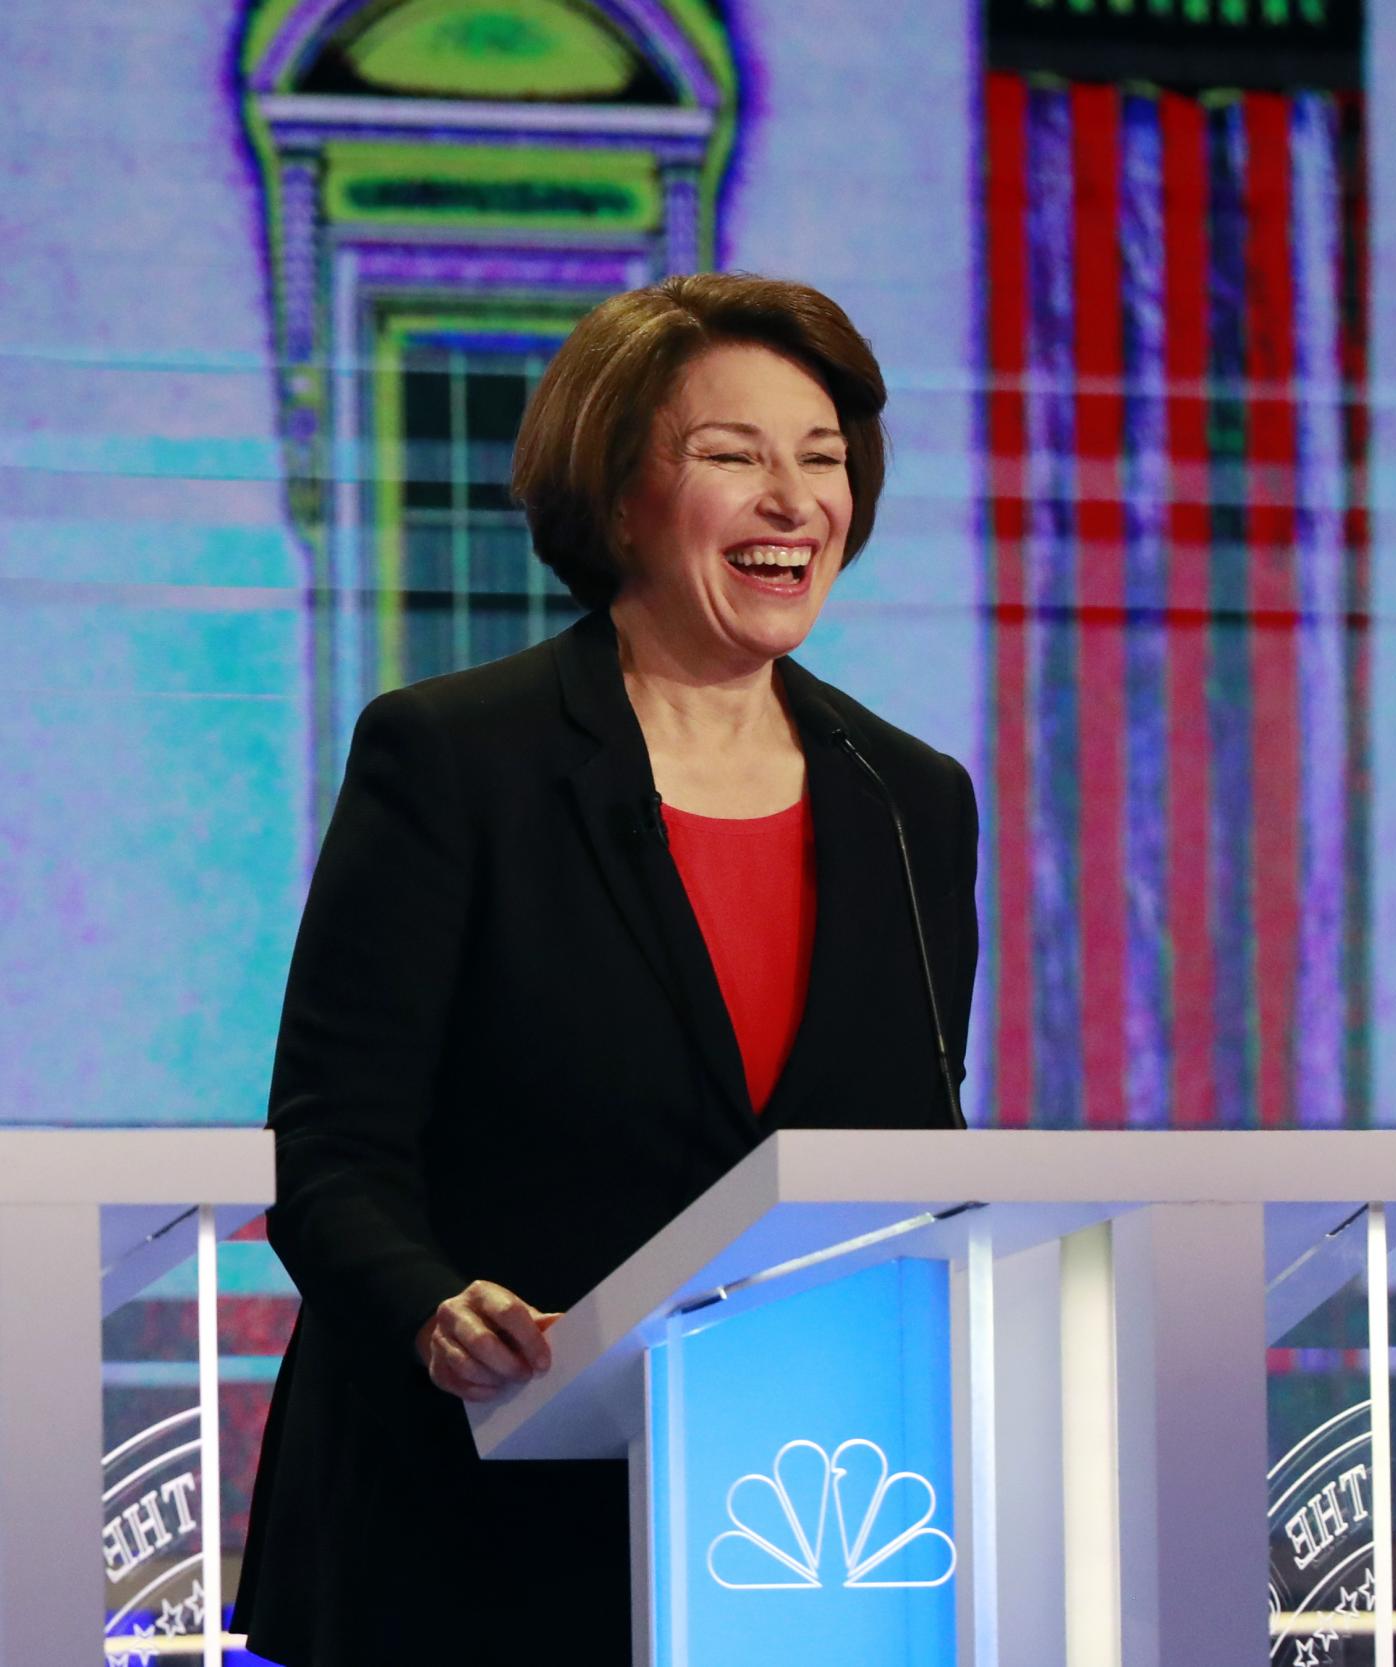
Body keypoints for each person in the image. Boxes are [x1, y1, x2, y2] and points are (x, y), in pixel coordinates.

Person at [232, 274, 978, 1666]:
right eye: (731, 455)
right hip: (470, 1524)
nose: (792, 499)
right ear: (616, 492)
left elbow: (909, 1158)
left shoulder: (908, 800)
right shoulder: (455, 761)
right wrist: (431, 1308)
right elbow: (331, 1150)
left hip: (793, 1533)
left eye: (822, 460)